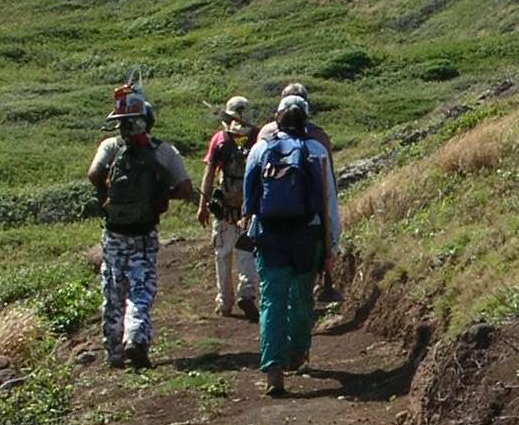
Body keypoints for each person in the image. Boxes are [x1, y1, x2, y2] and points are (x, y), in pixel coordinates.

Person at [87, 80, 195, 369]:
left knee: (112, 290)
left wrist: (109, 194)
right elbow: (185, 188)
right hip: (144, 234)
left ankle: (113, 353)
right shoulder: (164, 151)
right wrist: (159, 195)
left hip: (113, 234)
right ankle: (135, 338)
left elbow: (93, 174)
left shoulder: (110, 146)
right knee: (140, 290)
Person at [242, 95, 340, 396]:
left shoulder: (260, 150)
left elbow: (250, 199)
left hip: (269, 235)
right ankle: (298, 353)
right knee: (301, 297)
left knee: (272, 300)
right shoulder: (316, 150)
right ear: (305, 120)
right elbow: (329, 204)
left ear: (278, 118)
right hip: (306, 235)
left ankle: (273, 368)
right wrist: (332, 245)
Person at [196, 95, 259, 320]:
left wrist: (202, 205)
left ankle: (224, 301)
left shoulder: (220, 140)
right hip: (250, 206)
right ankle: (247, 292)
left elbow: (210, 172)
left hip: (224, 206)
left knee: (222, 254)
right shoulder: (257, 138)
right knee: (248, 251)